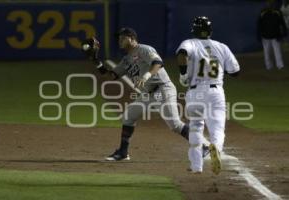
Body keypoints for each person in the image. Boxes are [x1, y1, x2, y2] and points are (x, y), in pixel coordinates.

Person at [82, 27, 209, 161]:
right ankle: (123, 153)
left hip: (162, 88)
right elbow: (112, 75)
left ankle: (202, 147)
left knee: (175, 124)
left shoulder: (144, 49)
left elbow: (158, 63)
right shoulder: (126, 60)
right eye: (119, 38)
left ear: (131, 38)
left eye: (122, 37)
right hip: (147, 94)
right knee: (128, 117)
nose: (119, 40)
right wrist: (96, 60)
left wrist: (146, 76)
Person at [176, 16, 240, 174]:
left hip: (195, 91)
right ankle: (216, 147)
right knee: (217, 128)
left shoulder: (189, 43)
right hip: (216, 92)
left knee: (196, 127)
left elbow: (182, 54)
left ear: (194, 30)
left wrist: (184, 74)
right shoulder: (222, 46)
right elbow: (235, 72)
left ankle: (196, 166)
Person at [258, 0, 287, 70]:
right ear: (266, 4)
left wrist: (284, 34)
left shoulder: (277, 12)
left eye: (271, 3)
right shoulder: (262, 12)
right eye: (268, 3)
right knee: (267, 53)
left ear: (273, 4)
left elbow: (282, 24)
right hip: (265, 36)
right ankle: (269, 66)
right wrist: (259, 35)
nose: (269, 4)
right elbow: (259, 25)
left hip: (275, 36)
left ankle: (280, 66)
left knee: (278, 52)